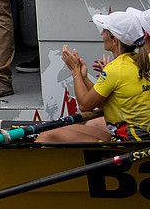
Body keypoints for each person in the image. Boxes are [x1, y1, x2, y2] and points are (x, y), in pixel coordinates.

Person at [37, 11, 150, 143]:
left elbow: (85, 105)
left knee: (46, 136)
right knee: (92, 123)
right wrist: (84, 78)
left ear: (115, 41)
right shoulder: (142, 59)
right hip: (140, 134)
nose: (101, 34)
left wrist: (76, 71)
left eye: (105, 31)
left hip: (130, 140)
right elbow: (103, 101)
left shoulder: (115, 69)